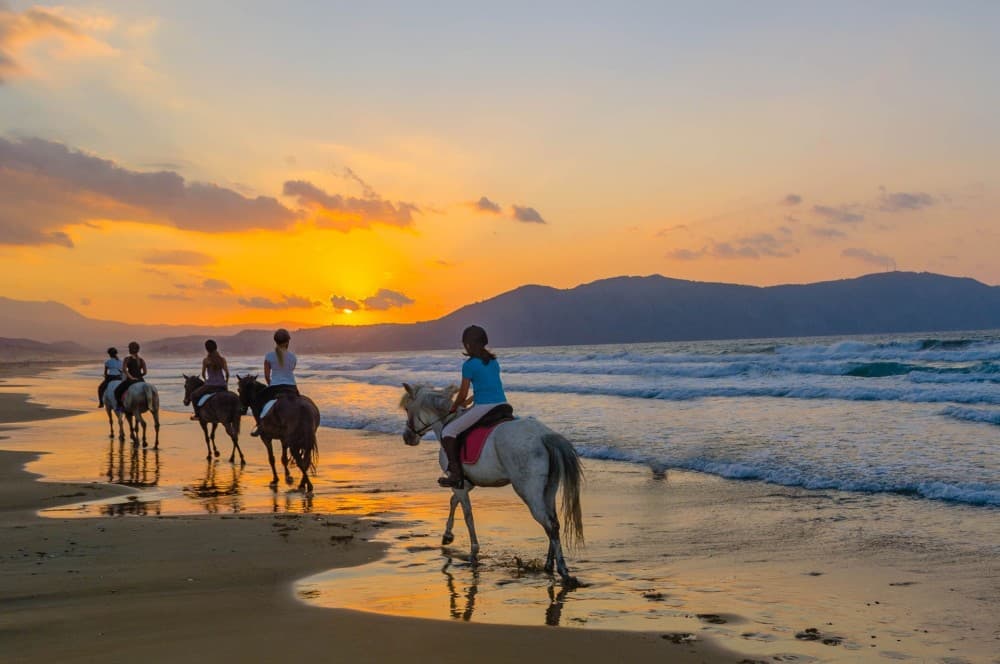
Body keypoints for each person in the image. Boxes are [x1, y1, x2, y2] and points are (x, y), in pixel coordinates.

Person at [437, 325, 509, 488]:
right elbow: (488, 386)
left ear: (468, 344)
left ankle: (455, 475)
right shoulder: (493, 361)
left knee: (448, 431)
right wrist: (469, 401)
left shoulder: (469, 365)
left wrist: (454, 407)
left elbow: (461, 394)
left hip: (484, 407)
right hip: (502, 405)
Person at [250, 328, 299, 437]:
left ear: (275, 341)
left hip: (275, 387)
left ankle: (259, 425)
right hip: (291, 387)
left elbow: (267, 376)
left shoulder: (269, 356)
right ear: (288, 341)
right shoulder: (293, 357)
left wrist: (271, 385)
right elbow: (291, 370)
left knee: (257, 402)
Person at [189, 339, 229, 420]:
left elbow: (203, 374)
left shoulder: (206, 360)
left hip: (210, 385)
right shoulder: (222, 359)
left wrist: (207, 381)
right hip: (222, 385)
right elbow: (227, 374)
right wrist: (225, 383)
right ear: (216, 347)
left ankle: (197, 415)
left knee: (193, 395)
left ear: (206, 349)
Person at [113, 342, 146, 410]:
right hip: (141, 380)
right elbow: (145, 372)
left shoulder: (127, 359)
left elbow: (124, 370)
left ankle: (120, 407)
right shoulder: (142, 360)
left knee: (117, 391)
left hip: (131, 380)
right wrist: (139, 376)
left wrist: (131, 377)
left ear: (130, 349)